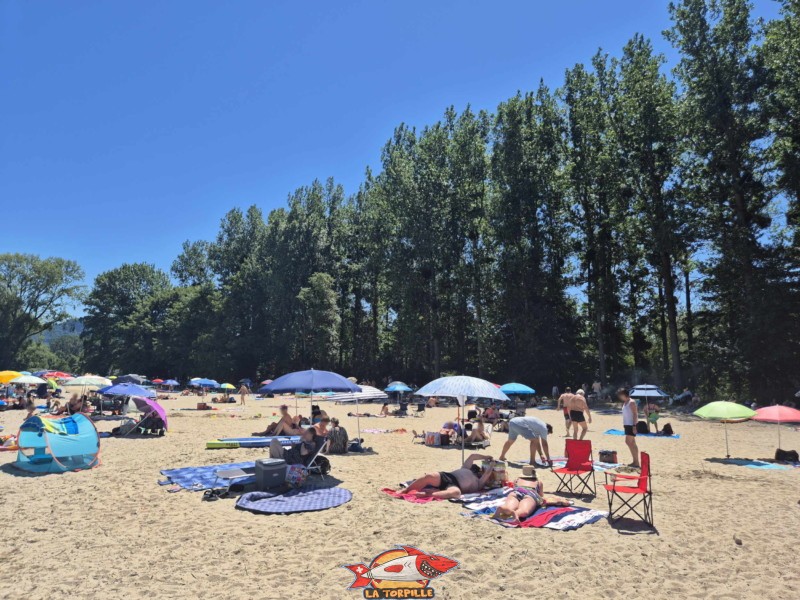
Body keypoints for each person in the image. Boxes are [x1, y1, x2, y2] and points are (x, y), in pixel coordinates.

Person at [399, 453, 496, 499]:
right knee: (429, 476)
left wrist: (492, 465)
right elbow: (472, 456)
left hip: (455, 485)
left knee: (456, 493)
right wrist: (485, 457)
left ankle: (430, 494)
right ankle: (407, 490)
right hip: (447, 476)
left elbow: (487, 474)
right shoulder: (465, 468)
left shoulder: (479, 483)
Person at [492, 475, 574, 525]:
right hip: (530, 493)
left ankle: (503, 508)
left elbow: (514, 487)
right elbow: (541, 495)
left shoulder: (517, 480)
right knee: (524, 511)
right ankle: (517, 513)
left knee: (509, 506)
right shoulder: (538, 482)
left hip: (517, 491)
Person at [619, 388, 640, 468]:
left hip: (632, 424)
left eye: (621, 395)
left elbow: (635, 414)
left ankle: (636, 461)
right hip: (627, 424)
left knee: (628, 442)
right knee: (632, 443)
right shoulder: (625, 402)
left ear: (624, 394)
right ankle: (635, 461)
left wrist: (634, 426)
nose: (620, 397)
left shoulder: (631, 402)